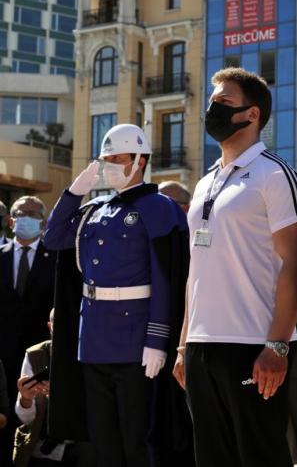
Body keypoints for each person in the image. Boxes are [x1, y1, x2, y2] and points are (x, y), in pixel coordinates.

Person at [172, 67, 297, 467]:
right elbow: (196, 271)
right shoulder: (205, 183)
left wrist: (277, 345)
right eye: (211, 102)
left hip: (254, 345)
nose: (212, 110)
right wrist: (184, 345)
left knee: (261, 455)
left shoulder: (277, 175)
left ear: (252, 114)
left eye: (223, 102)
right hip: (201, 347)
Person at [43, 124, 189, 467]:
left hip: (136, 339)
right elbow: (53, 238)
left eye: (118, 159)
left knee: (137, 440)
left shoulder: (159, 207)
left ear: (140, 161)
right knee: (103, 440)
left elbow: (166, 277)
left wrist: (157, 339)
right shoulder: (95, 208)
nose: (109, 166)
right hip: (94, 338)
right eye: (106, 159)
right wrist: (73, 194)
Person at [0, 197, 55, 466]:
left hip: (39, 357)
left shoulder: (56, 258)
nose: (26, 217)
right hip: (2, 355)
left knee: (34, 416)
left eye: (33, 214)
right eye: (21, 213)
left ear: (43, 223)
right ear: (11, 221)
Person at [14, 309, 94, 466]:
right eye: (59, 326)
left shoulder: (91, 354)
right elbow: (26, 419)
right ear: (50, 326)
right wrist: (25, 400)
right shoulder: (36, 355)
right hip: (45, 450)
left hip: (84, 449)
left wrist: (62, 395)